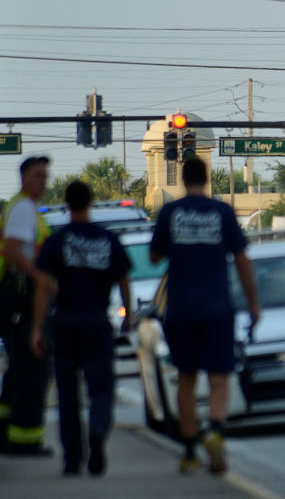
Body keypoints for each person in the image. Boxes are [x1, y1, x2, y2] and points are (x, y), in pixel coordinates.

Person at [149, 158, 259, 475]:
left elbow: (155, 257)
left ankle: (188, 451)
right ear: (207, 179)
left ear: (183, 180)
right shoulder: (222, 212)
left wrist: (179, 246)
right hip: (217, 307)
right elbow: (242, 260)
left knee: (186, 377)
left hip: (180, 308)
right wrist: (254, 303)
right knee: (219, 377)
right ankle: (216, 431)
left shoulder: (170, 212)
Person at [30, 181, 132, 476]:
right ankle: (98, 430)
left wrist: (37, 328)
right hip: (97, 322)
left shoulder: (57, 241)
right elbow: (124, 279)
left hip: (64, 323)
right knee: (101, 386)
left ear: (67, 203)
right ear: (89, 203)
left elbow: (43, 287)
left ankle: (72, 457)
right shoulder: (106, 239)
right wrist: (128, 315)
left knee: (67, 392)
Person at [0, 156, 52, 456]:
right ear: (23, 178)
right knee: (33, 370)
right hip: (24, 296)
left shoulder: (26, 208)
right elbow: (11, 249)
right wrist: (38, 275)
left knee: (20, 369)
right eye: (37, 175)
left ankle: (10, 436)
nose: (43, 181)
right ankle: (24, 441)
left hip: (21, 295)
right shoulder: (22, 208)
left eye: (45, 175)